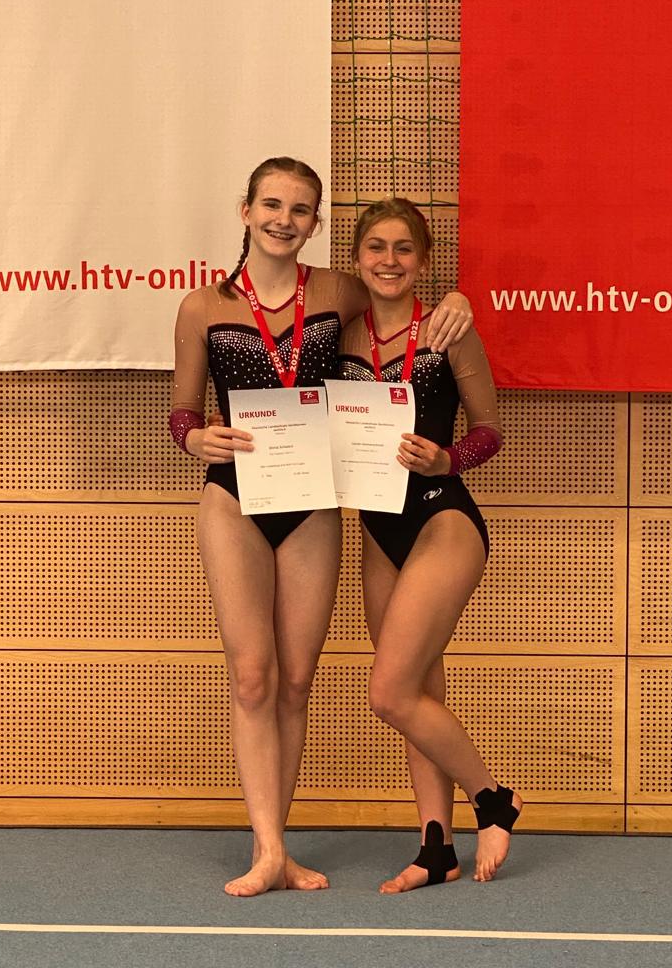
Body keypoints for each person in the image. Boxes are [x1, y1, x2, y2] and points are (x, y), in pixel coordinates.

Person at [169, 157, 473, 897]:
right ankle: (268, 850)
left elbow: (404, 294)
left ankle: (281, 844)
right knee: (253, 675)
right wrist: (193, 437)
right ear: (246, 211)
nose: (284, 219)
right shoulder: (201, 306)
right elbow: (182, 409)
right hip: (235, 496)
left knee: (298, 680)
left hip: (311, 500)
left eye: (300, 209)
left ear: (314, 223)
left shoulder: (338, 292)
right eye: (272, 205)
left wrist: (458, 296)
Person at [338, 197, 521, 893]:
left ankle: (494, 801)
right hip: (378, 526)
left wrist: (447, 459)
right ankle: (435, 846)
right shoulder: (339, 333)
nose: (389, 260)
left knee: (389, 692)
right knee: (417, 689)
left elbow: (490, 428)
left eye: (404, 248)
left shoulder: (447, 328)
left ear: (424, 259)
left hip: (443, 517)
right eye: (376, 247)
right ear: (356, 257)